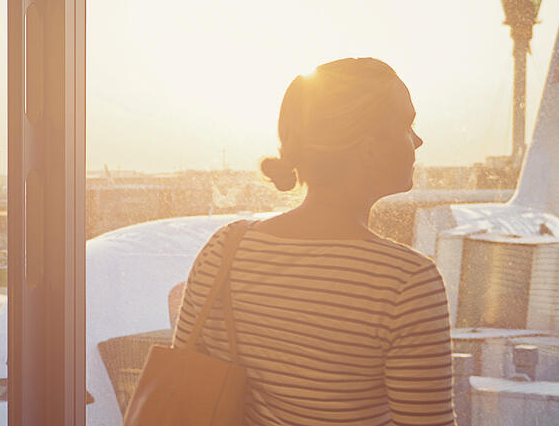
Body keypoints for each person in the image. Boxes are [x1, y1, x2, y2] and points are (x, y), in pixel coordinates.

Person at [170, 58, 455, 425]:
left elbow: (186, 387)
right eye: (406, 125)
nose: (418, 140)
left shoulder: (226, 248)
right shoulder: (405, 282)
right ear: (368, 148)